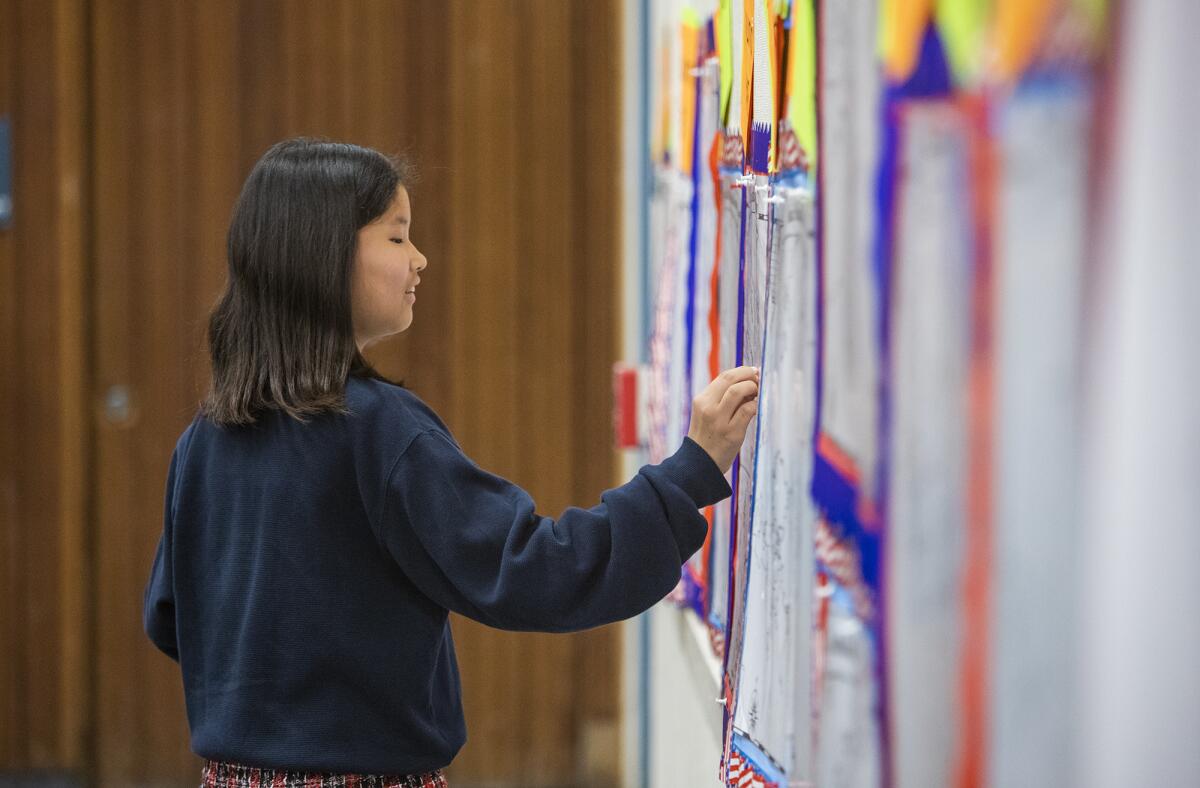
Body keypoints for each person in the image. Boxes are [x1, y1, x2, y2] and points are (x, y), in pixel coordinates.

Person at [143, 138, 759, 787]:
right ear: (326, 254)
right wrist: (691, 470)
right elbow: (535, 569)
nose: (420, 260)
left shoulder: (204, 440)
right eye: (397, 237)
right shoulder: (379, 431)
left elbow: (170, 619)